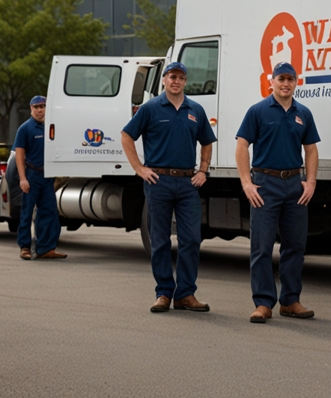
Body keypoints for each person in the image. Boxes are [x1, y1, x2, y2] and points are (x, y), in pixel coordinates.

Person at [122, 61, 216, 313]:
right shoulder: (150, 108)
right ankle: (163, 292)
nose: (176, 81)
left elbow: (207, 141)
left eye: (180, 77)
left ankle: (185, 294)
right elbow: (127, 135)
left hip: (187, 184)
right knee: (160, 240)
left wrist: (203, 170)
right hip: (158, 182)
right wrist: (139, 168)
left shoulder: (195, 110)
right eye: (171, 76)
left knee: (191, 239)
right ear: (164, 80)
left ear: (185, 82)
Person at [235, 62, 320, 324]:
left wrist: (311, 181)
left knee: (295, 245)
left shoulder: (303, 113)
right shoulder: (258, 111)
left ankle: (290, 301)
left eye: (290, 79)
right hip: (265, 184)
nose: (285, 84)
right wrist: (247, 183)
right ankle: (263, 303)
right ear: (271, 81)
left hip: (294, 185)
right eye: (281, 79)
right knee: (261, 247)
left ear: (296, 83)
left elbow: (311, 149)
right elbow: (242, 146)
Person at [14, 95, 66, 260]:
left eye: (42, 106)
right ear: (31, 109)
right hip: (32, 174)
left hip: (48, 175)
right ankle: (25, 247)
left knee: (48, 212)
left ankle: (45, 249)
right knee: (27, 212)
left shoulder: (52, 128)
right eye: (36, 107)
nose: (39, 110)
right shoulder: (25, 129)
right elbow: (19, 155)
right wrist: (23, 178)